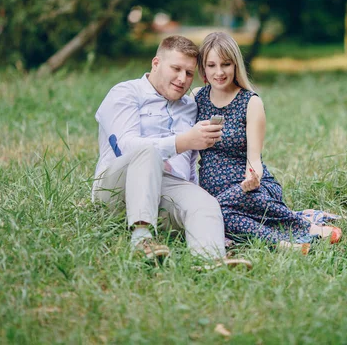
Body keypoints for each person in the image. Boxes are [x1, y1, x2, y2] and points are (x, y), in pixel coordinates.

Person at [92, 35, 251, 269]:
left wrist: (208, 223)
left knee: (204, 202)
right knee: (146, 151)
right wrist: (183, 141)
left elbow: (188, 166)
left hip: (163, 193)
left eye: (188, 73)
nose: (182, 79)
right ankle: (141, 240)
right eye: (175, 68)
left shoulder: (189, 106)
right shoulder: (125, 93)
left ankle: (210, 258)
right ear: (156, 63)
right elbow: (125, 147)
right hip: (116, 191)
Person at [193, 32, 342, 253]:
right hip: (214, 192)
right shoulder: (196, 98)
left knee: (215, 212)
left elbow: (254, 160)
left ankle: (304, 229)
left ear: (236, 65)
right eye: (211, 65)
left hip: (250, 188)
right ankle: (291, 240)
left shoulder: (250, 102)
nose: (219, 72)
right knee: (219, 213)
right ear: (203, 68)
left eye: (226, 64)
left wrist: (251, 179)